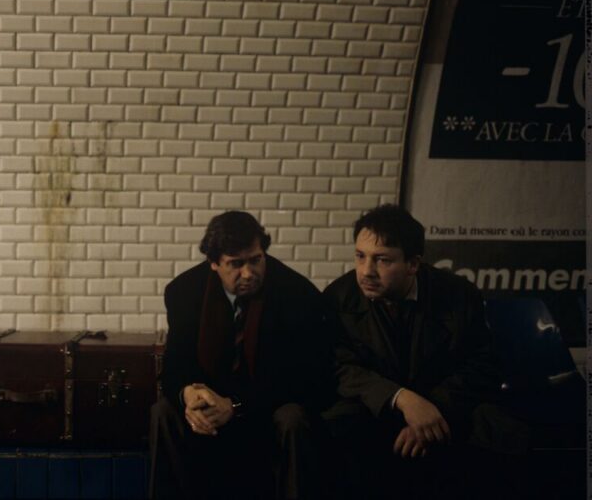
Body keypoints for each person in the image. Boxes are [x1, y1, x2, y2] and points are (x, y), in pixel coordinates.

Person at [322, 204, 528, 499]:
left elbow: (482, 365)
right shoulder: (338, 298)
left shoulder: (458, 295)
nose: (366, 271)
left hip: (445, 407)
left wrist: (430, 411)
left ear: (413, 264)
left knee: (503, 434)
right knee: (332, 428)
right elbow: (339, 367)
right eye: (360, 256)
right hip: (377, 407)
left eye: (382, 260)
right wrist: (402, 399)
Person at [149, 211, 331, 500]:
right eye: (236, 264)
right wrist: (189, 395)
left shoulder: (297, 294)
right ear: (213, 263)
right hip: (212, 406)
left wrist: (235, 404)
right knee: (164, 411)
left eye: (256, 260)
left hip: (266, 408)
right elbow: (175, 365)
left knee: (293, 417)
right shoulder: (184, 292)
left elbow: (304, 378)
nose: (249, 273)